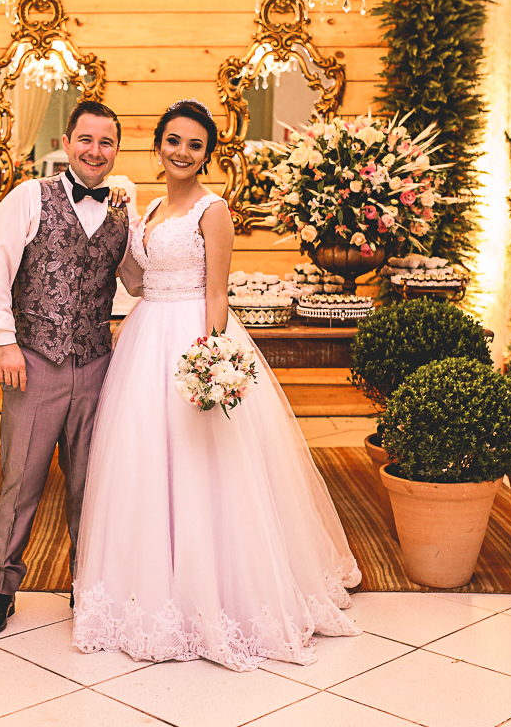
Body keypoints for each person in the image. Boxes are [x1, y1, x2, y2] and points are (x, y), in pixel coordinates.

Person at [71, 99, 362, 672]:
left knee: (204, 467)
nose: (182, 152)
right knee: (144, 463)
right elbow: (136, 280)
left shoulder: (214, 209)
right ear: (158, 146)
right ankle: (146, 591)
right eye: (173, 140)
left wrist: (211, 362)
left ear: (207, 154)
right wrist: (122, 233)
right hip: (144, 338)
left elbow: (217, 292)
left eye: (195, 144)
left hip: (191, 338)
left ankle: (218, 595)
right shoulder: (150, 208)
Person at [0, 100, 134, 637]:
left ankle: (85, 585)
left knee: (90, 484)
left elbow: (136, 281)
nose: (95, 150)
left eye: (106, 142)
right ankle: (1, 588)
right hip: (34, 362)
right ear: (66, 143)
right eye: (85, 139)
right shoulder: (28, 196)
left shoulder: (122, 212)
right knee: (20, 480)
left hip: (96, 364)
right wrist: (5, 342)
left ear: (117, 150)